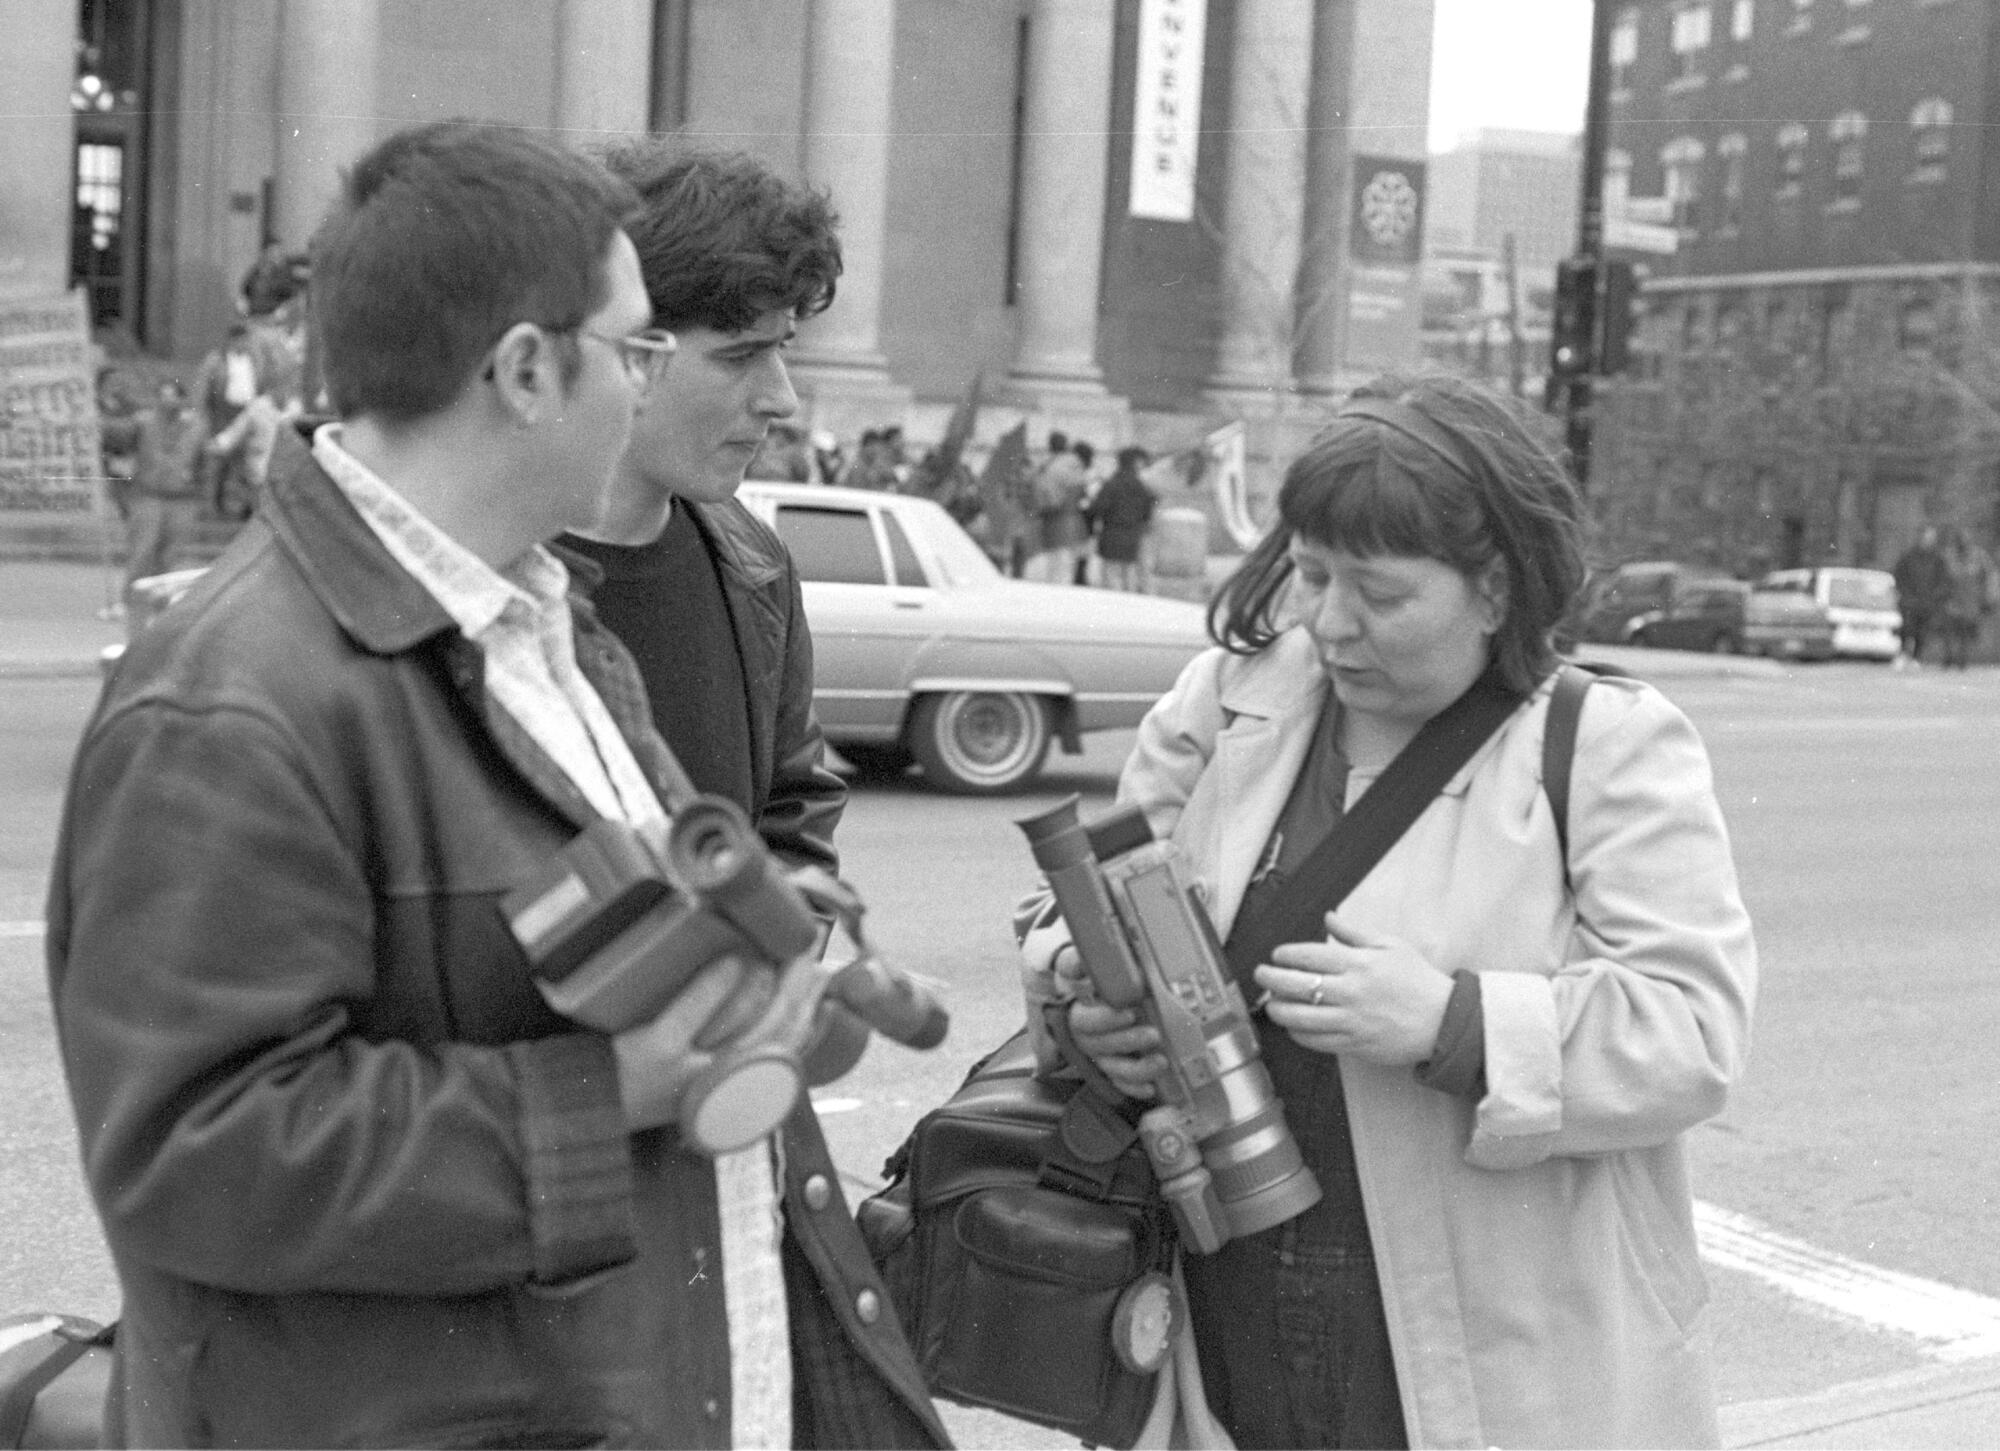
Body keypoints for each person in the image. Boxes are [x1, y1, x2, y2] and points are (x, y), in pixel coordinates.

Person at [47, 120, 829, 1448]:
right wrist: (615, 1089)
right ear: (526, 370)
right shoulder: (233, 700)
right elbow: (200, 1151)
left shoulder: (543, 624)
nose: (651, 389)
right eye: (639, 350)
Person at [1017, 374, 1757, 1449]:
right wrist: (1086, 1007)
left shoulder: (1601, 745)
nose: (1328, 622)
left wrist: (1450, 1021)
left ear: (1495, 588)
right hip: (1223, 1281)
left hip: (1491, 1328)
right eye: (1312, 574)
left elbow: (1691, 1032)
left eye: (1378, 591)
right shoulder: (1229, 702)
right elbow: (1081, 902)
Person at [558, 141, 949, 1449]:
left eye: (788, 351)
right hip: (551, 1193)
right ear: (629, 350)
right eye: (743, 356)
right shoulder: (496, 592)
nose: (784, 398)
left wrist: (810, 924)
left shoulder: (754, 565)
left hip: (736, 1162)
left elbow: (793, 807)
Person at [99, 377, 207, 603]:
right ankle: (130, 601)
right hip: (148, 495)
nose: (168, 402)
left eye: (173, 396)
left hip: (182, 498)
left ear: (182, 399)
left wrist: (201, 488)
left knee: (172, 555)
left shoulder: (197, 427)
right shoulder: (143, 422)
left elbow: (205, 461)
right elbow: (116, 436)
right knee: (142, 551)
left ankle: (161, 603)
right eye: (163, 396)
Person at [1085, 444, 1158, 592]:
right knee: (1129, 578)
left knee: (1112, 579)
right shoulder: (1142, 486)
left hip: (1111, 536)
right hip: (1133, 537)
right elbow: (1148, 511)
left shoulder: (1111, 484)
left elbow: (1098, 508)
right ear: (1135, 463)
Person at [1026, 430, 1089, 583]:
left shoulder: (1042, 465)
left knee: (1052, 561)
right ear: (1066, 445)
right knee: (1065, 563)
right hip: (1068, 518)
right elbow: (1080, 491)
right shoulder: (1073, 463)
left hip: (1047, 517)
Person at [1937, 524, 1998, 670]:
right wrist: (1941, 594)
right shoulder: (1948, 556)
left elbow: (1989, 576)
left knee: (1965, 631)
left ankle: (1961, 659)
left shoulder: (1978, 556)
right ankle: (1949, 657)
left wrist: (1989, 597)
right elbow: (1940, 577)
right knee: (1949, 630)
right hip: (1951, 599)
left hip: (1970, 601)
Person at [1892, 525, 1951, 666]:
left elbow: (1942, 580)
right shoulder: (1909, 556)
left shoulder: (1938, 560)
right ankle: (1902, 654)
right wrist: (1905, 593)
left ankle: (1916, 658)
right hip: (1909, 600)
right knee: (1907, 628)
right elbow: (1899, 576)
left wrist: (1935, 596)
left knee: (1922, 631)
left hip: (1927, 602)